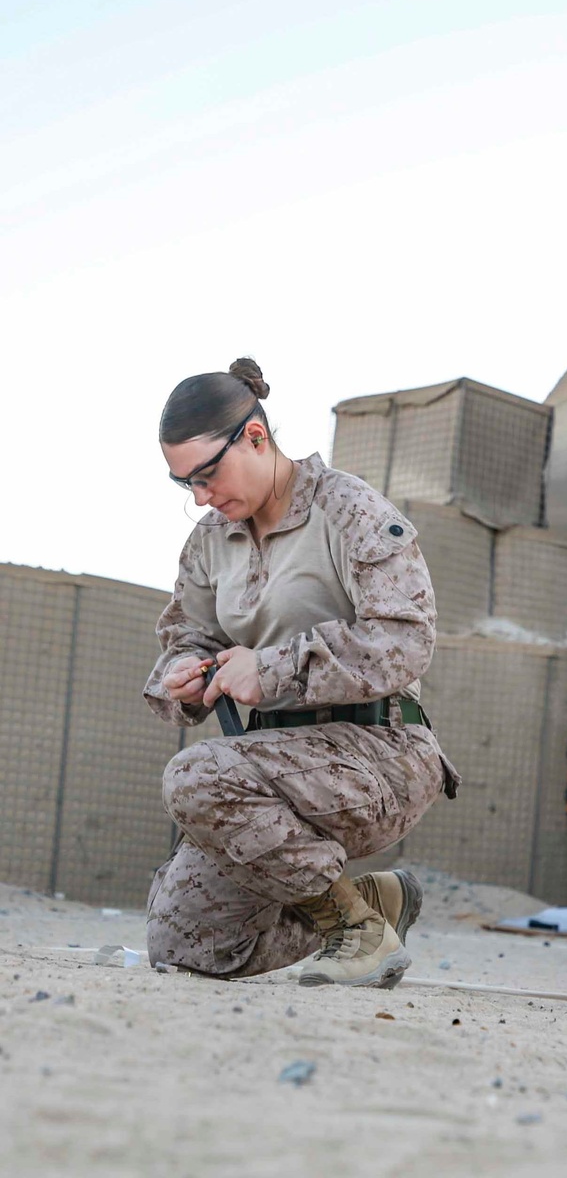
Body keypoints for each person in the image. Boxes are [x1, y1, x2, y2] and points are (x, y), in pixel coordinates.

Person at [143, 357, 460, 988]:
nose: (203, 497)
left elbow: (405, 636)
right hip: (267, 762)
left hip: (381, 752)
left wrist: (273, 671)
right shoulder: (210, 540)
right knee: (187, 941)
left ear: (256, 437)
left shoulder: (348, 510)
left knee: (194, 775)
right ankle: (375, 901)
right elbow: (188, 633)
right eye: (187, 485)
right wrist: (183, 674)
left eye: (209, 474)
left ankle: (358, 932)